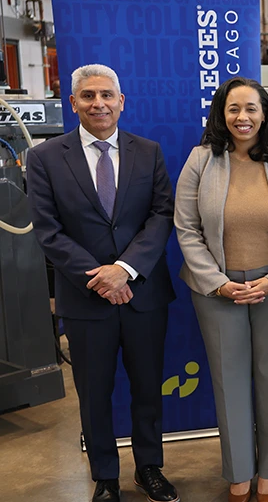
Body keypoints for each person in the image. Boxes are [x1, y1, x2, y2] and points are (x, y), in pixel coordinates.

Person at [26, 64, 179, 502]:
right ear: (72, 102)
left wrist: (125, 269)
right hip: (85, 299)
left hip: (143, 294)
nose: (99, 104)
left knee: (147, 388)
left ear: (121, 101)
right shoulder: (45, 158)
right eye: (89, 96)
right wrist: (100, 278)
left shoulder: (147, 152)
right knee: (94, 394)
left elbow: (161, 215)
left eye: (107, 95)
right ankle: (106, 477)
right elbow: (48, 230)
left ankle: (149, 468)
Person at [174, 77, 268, 502]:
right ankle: (239, 472)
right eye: (233, 108)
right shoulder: (200, 160)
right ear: (221, 114)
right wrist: (219, 284)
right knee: (229, 380)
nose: (242, 117)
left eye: (251, 108)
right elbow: (186, 228)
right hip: (217, 290)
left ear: (265, 113)